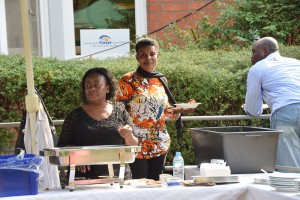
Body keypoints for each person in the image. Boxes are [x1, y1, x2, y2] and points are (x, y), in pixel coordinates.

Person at [116, 38, 195, 180]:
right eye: (143, 54)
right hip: (136, 143)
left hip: (159, 143)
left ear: (158, 56)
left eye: (152, 54)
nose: (148, 58)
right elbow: (119, 111)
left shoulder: (161, 79)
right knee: (138, 186)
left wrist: (180, 110)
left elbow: (164, 111)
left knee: (157, 186)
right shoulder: (127, 80)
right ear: (137, 57)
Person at [57, 67, 138, 179]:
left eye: (97, 85)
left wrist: (128, 135)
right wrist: (77, 154)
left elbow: (134, 146)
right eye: (88, 85)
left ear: (107, 88)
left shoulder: (121, 113)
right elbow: (62, 146)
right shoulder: (74, 116)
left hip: (118, 179)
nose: (92, 89)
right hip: (83, 181)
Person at [244, 37, 300, 171]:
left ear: (265, 52)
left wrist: (253, 111)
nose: (251, 57)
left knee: (290, 168)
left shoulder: (257, 68)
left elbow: (253, 109)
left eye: (254, 52)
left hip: (285, 113)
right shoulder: (296, 63)